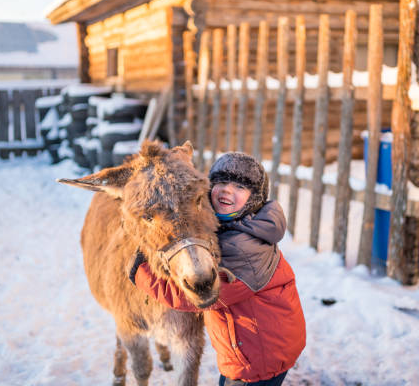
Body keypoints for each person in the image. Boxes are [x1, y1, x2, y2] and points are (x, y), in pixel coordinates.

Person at [129, 152, 306, 386]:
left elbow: (197, 298)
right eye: (221, 182)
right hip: (259, 342)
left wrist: (141, 273)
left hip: (258, 358)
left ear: (254, 198)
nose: (226, 191)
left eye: (240, 187)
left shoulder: (241, 248)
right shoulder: (242, 223)